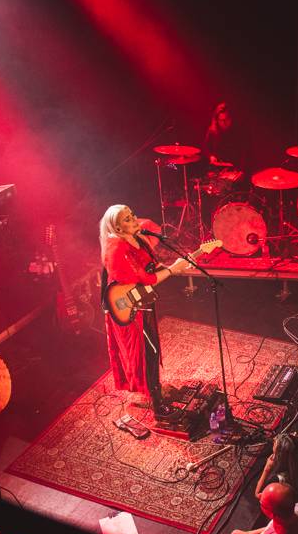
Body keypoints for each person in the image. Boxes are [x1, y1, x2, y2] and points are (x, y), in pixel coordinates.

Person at [99, 204, 189, 420]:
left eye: (133, 215)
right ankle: (158, 408)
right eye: (128, 219)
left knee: (152, 348)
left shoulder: (138, 239)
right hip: (128, 305)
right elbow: (146, 279)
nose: (134, 220)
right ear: (117, 227)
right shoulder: (116, 248)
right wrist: (172, 269)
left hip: (142, 299)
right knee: (149, 352)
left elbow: (151, 268)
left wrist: (175, 266)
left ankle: (155, 390)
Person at [202, 101, 246, 168]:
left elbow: (244, 152)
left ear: (231, 118)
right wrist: (211, 156)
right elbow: (206, 148)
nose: (223, 123)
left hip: (235, 167)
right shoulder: (212, 130)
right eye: (221, 120)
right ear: (216, 120)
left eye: (226, 120)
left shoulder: (238, 131)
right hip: (218, 167)